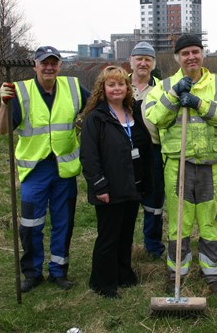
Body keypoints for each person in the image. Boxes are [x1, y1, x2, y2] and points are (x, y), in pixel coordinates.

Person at [145, 34, 217, 294]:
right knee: (179, 222)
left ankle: (213, 274)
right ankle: (177, 272)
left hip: (211, 165)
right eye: (185, 53)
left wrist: (199, 103)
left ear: (203, 54)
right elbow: (154, 117)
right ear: (177, 58)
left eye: (195, 51)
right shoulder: (164, 86)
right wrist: (175, 95)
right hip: (179, 165)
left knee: (210, 222)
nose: (191, 57)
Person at [0, 46, 89, 292]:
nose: (49, 67)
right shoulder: (21, 91)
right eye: (44, 63)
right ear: (34, 66)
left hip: (64, 170)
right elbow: (3, 129)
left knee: (63, 223)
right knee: (30, 224)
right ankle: (32, 273)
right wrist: (5, 103)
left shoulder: (73, 88)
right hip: (34, 171)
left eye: (53, 63)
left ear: (59, 65)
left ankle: (58, 272)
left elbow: (100, 104)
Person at [80, 66, 153, 299]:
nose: (116, 89)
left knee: (126, 234)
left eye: (121, 84)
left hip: (131, 185)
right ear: (102, 89)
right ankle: (102, 282)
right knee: (108, 236)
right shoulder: (96, 118)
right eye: (111, 85)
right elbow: (89, 156)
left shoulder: (133, 113)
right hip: (109, 187)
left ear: (127, 88)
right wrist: (99, 185)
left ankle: (124, 274)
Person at [130, 42, 165, 260]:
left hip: (153, 151)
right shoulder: (116, 84)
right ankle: (123, 244)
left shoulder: (162, 88)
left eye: (148, 59)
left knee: (154, 200)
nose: (143, 63)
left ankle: (153, 246)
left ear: (153, 63)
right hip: (123, 152)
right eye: (139, 58)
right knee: (126, 198)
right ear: (131, 61)